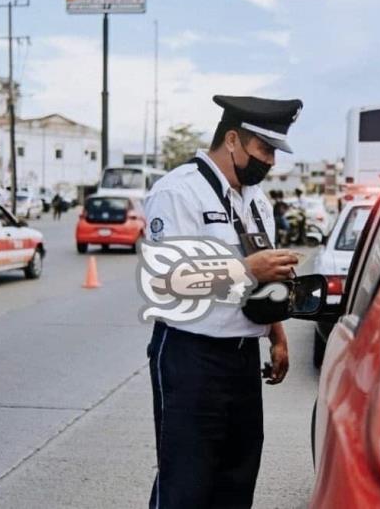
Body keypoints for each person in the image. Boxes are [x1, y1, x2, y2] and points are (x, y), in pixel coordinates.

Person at [144, 94, 302, 508]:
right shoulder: (179, 193)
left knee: (236, 480)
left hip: (241, 358)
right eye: (264, 149)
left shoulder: (256, 201)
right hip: (190, 356)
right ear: (232, 139)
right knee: (186, 483)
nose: (271, 162)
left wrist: (276, 333)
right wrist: (247, 269)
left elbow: (267, 276)